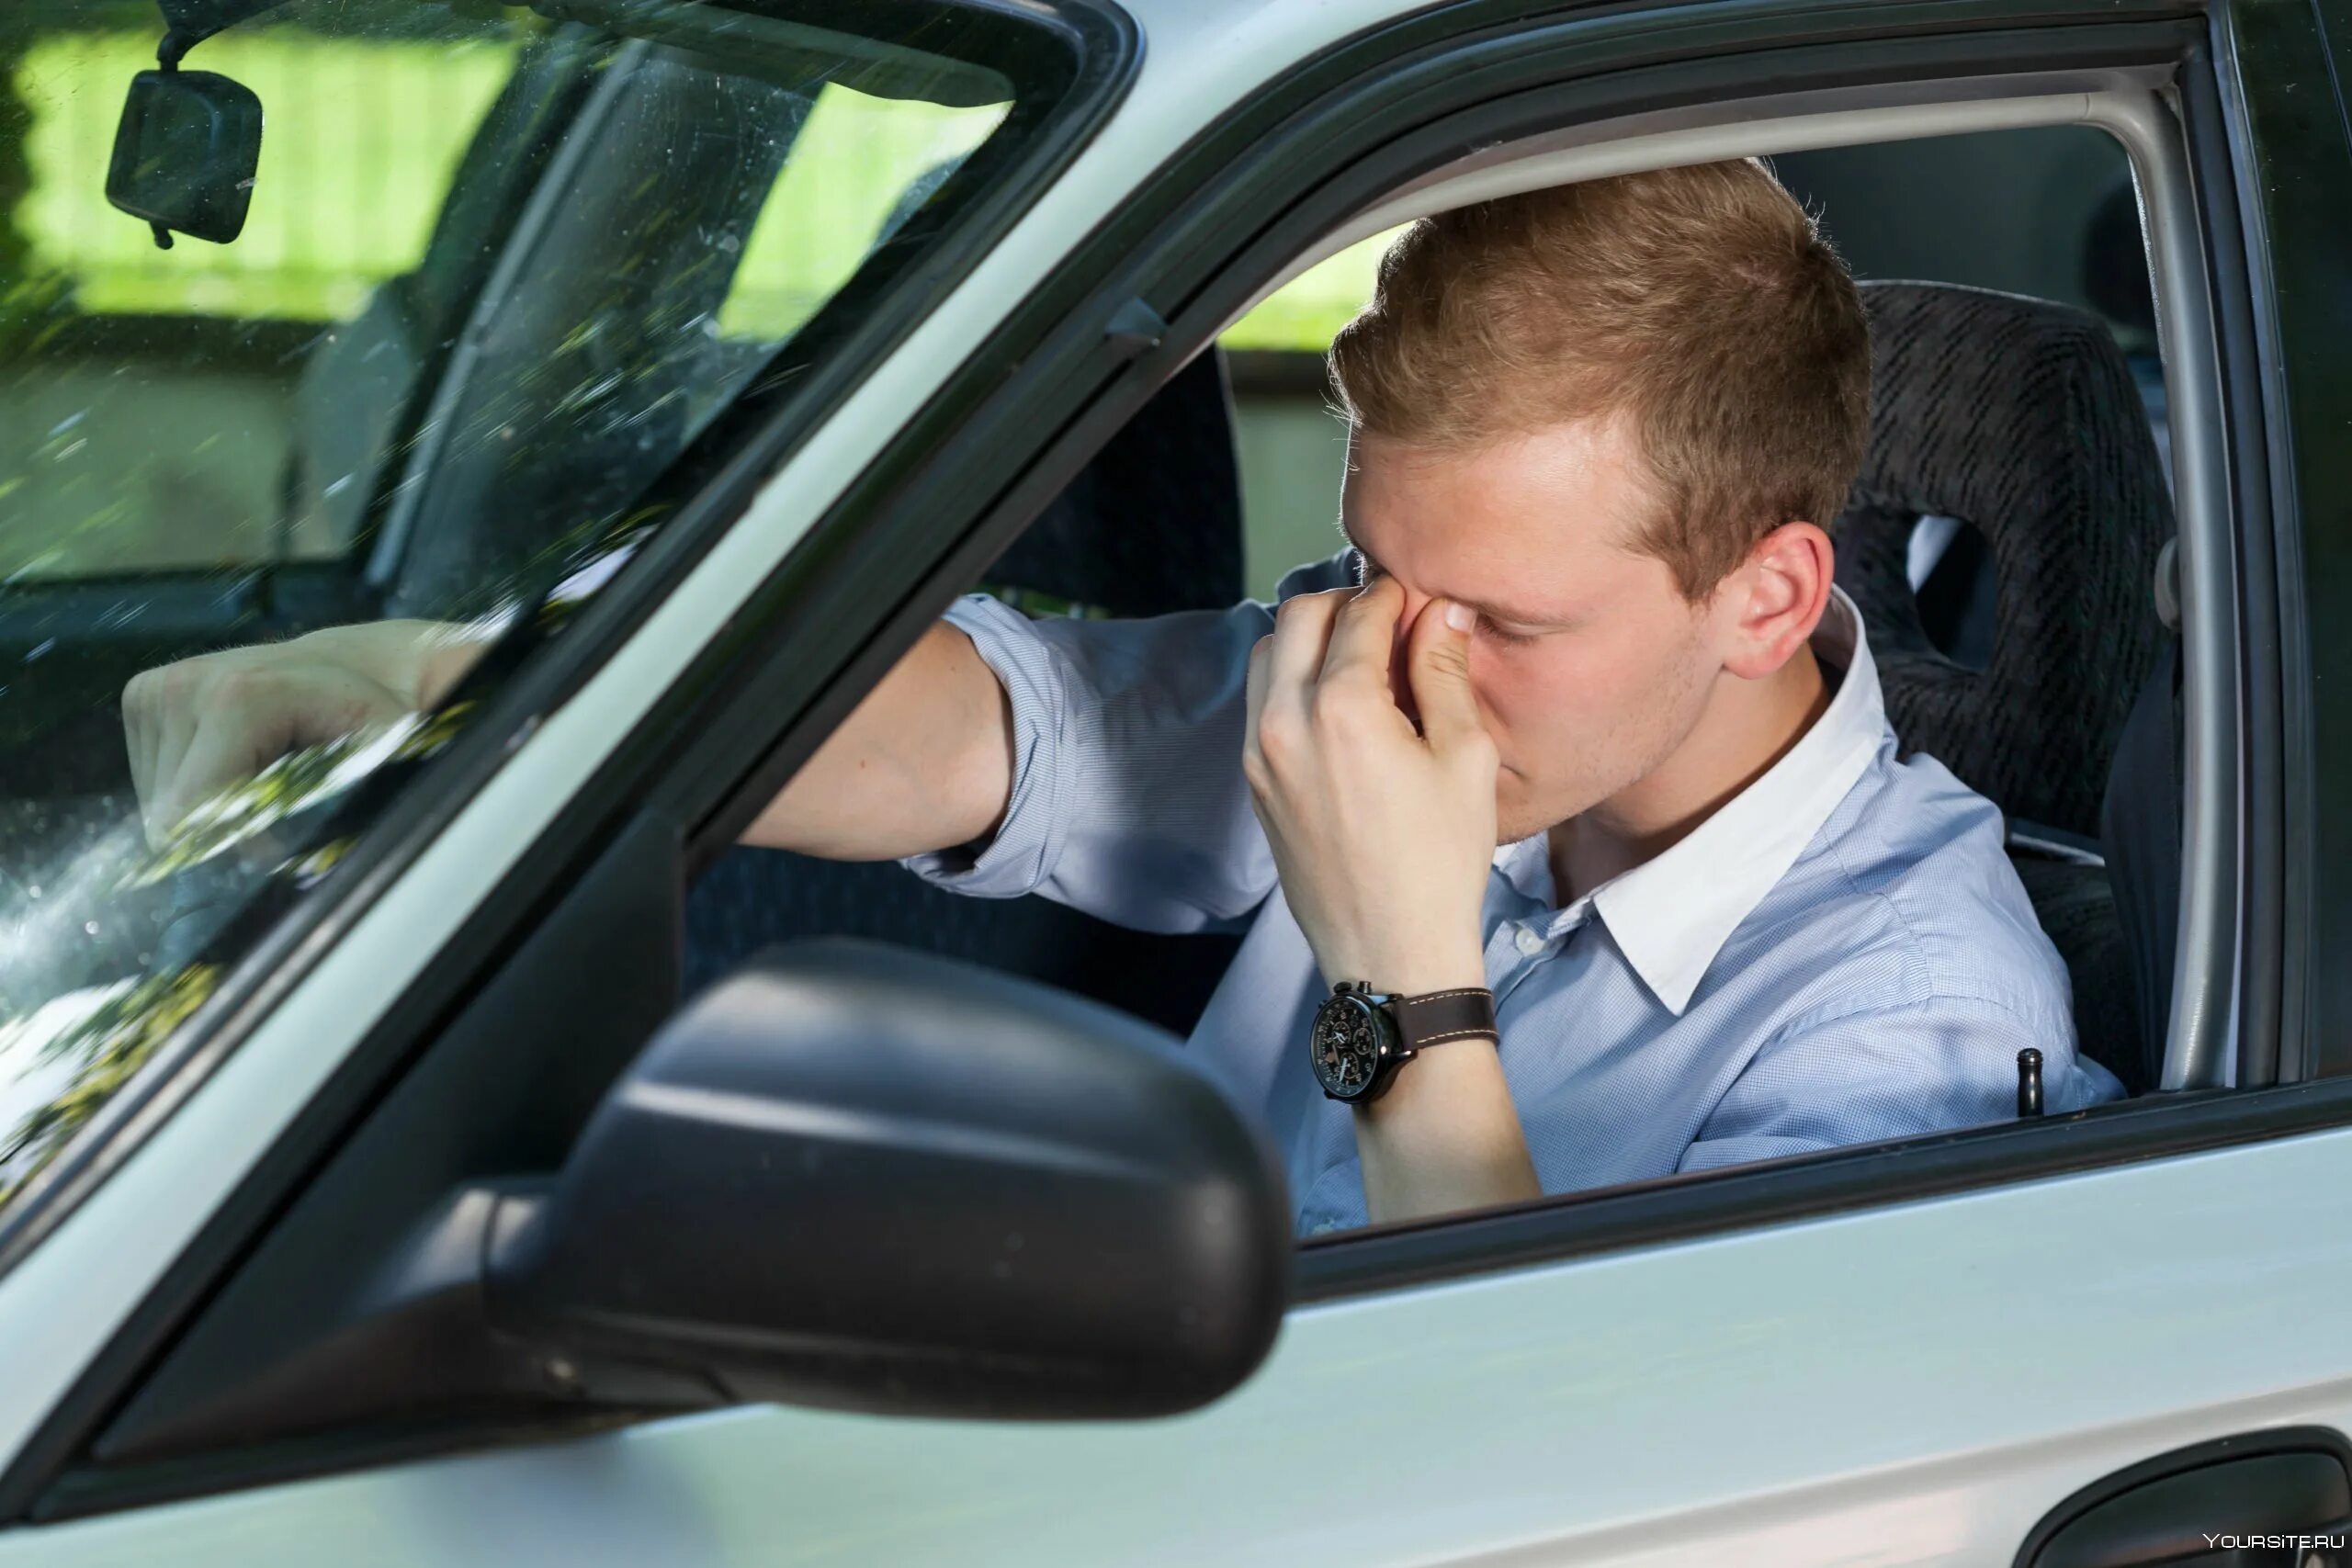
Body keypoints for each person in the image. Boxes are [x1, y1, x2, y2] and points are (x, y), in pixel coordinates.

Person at [121, 160, 2123, 1235]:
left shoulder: (1910, 1025)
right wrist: (428, 681)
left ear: (1763, 592)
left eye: (1499, 615)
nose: (1395, 666)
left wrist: (1396, 965)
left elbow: (1570, 1442)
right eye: (1368, 565)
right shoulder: (1386, 669)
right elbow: (968, 724)